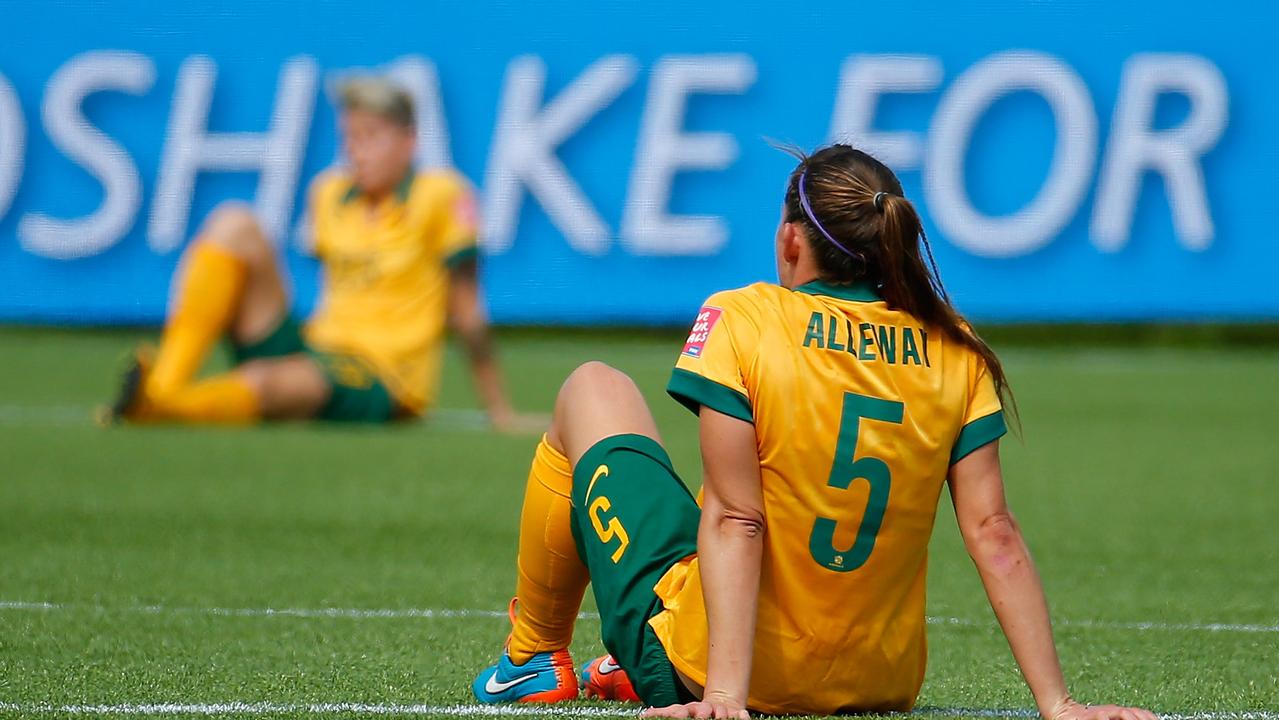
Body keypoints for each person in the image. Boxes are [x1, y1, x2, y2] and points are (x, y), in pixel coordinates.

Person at [469, 145, 1159, 719]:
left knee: (593, 386)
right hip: (876, 690)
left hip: (717, 676)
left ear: (791, 237)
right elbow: (994, 533)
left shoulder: (744, 317)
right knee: (696, 535)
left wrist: (723, 697)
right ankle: (621, 665)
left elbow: (738, 519)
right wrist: (1059, 705)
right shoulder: (956, 346)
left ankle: (533, 657)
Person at [102, 77, 528, 429]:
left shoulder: (443, 195)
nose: (356, 152)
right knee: (235, 223)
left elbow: (467, 311)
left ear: (409, 140)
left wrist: (500, 411)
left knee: (266, 381)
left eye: (370, 137)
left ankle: (162, 409)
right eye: (349, 138)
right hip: (318, 348)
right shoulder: (328, 193)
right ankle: (163, 387)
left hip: (382, 376)